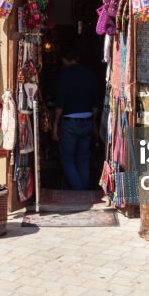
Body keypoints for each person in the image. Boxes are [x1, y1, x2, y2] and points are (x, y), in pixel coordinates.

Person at [52, 51, 99, 191]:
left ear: (64, 60)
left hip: (70, 122)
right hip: (88, 120)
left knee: (67, 160)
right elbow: (95, 102)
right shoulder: (90, 74)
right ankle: (83, 191)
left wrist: (55, 123)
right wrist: (94, 122)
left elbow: (60, 102)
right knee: (83, 159)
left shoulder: (65, 76)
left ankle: (79, 191)